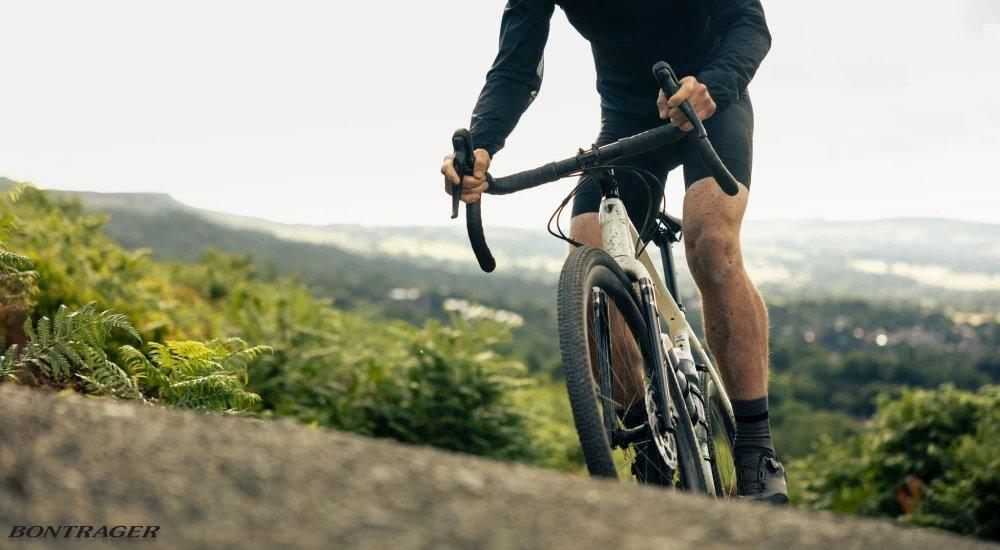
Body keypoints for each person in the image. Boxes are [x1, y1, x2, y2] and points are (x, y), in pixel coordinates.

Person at [439, 0, 786, 504]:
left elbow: (748, 24)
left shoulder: (714, 88)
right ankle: (646, 441)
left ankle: (756, 447)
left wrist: (714, 84)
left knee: (712, 243)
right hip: (627, 113)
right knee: (587, 246)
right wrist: (484, 145)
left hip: (709, 98)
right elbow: (516, 67)